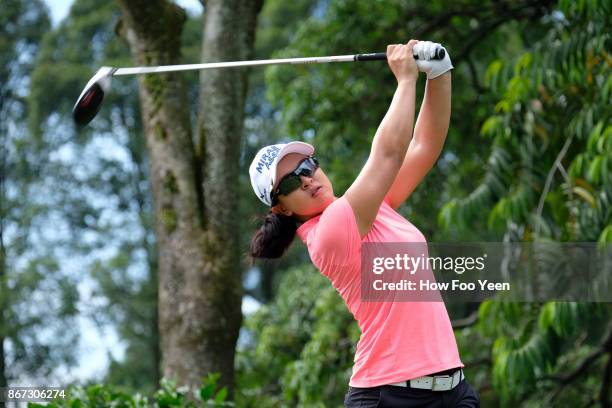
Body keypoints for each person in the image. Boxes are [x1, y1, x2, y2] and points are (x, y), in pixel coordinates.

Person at [248, 40, 480, 408]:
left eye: (306, 167)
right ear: (282, 209)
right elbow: (389, 152)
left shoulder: (374, 207)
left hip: (454, 391)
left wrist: (438, 73)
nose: (307, 179)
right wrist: (405, 80)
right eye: (291, 182)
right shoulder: (329, 233)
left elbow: (423, 147)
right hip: (388, 397)